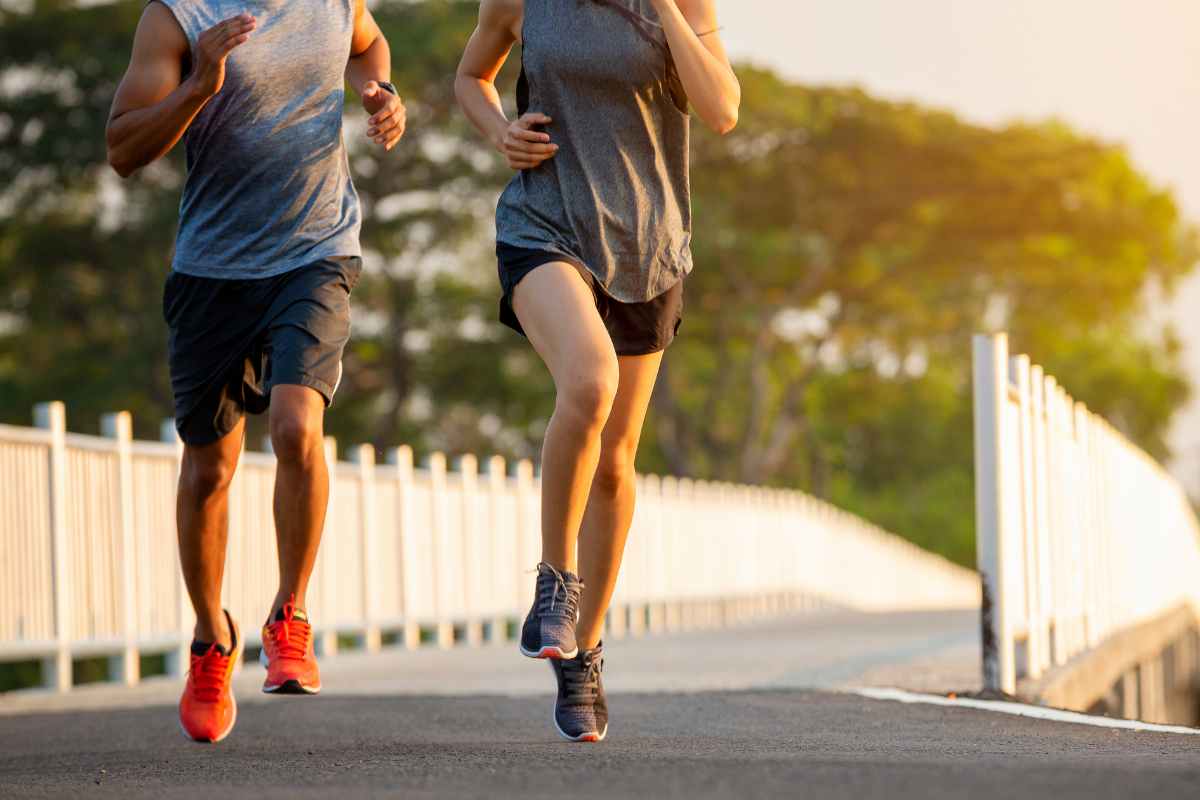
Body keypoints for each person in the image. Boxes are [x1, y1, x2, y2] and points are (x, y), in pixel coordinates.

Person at [105, 0, 406, 743]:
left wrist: (380, 93)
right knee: (210, 469)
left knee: (298, 426)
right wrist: (197, 86)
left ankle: (290, 613)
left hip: (317, 250)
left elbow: (369, 45)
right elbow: (122, 149)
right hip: (213, 269)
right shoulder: (178, 17)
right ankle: (212, 639)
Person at [456, 0, 739, 742]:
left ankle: (584, 653)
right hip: (545, 224)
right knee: (590, 380)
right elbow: (471, 77)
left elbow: (721, 110)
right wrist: (500, 131)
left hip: (648, 247)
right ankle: (555, 585)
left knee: (615, 463)